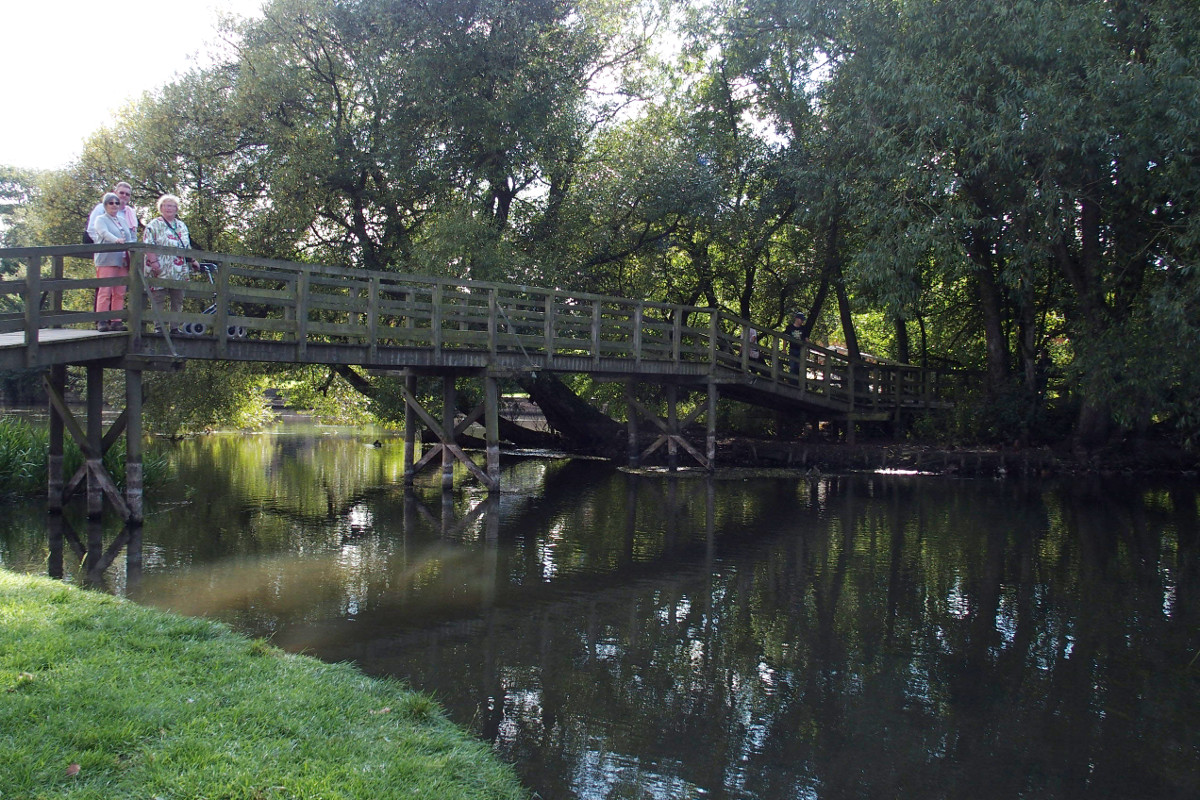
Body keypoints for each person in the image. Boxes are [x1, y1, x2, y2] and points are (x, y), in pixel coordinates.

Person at [142, 194, 196, 333]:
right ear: (160, 208)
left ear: (177, 209)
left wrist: (193, 260)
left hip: (179, 269)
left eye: (172, 206)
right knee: (158, 298)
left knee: (177, 298)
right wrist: (153, 262)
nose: (169, 208)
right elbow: (147, 244)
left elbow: (186, 245)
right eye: (166, 205)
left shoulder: (181, 225)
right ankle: (159, 327)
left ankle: (174, 327)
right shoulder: (153, 224)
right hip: (159, 267)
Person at [91, 192, 137, 331]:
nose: (114, 205)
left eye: (117, 203)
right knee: (105, 291)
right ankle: (102, 320)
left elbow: (129, 237)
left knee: (120, 292)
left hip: (122, 259)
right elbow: (104, 233)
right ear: (105, 205)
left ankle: (116, 320)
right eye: (111, 203)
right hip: (107, 259)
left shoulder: (122, 220)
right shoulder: (100, 219)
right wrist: (116, 240)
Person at [783, 311, 807, 375]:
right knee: (792, 366)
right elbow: (785, 338)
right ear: (797, 319)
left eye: (803, 320)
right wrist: (784, 349)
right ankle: (791, 381)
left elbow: (806, 340)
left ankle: (798, 383)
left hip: (801, 350)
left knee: (800, 368)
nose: (802, 321)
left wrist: (807, 351)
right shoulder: (790, 327)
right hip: (792, 349)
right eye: (801, 319)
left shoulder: (804, 329)